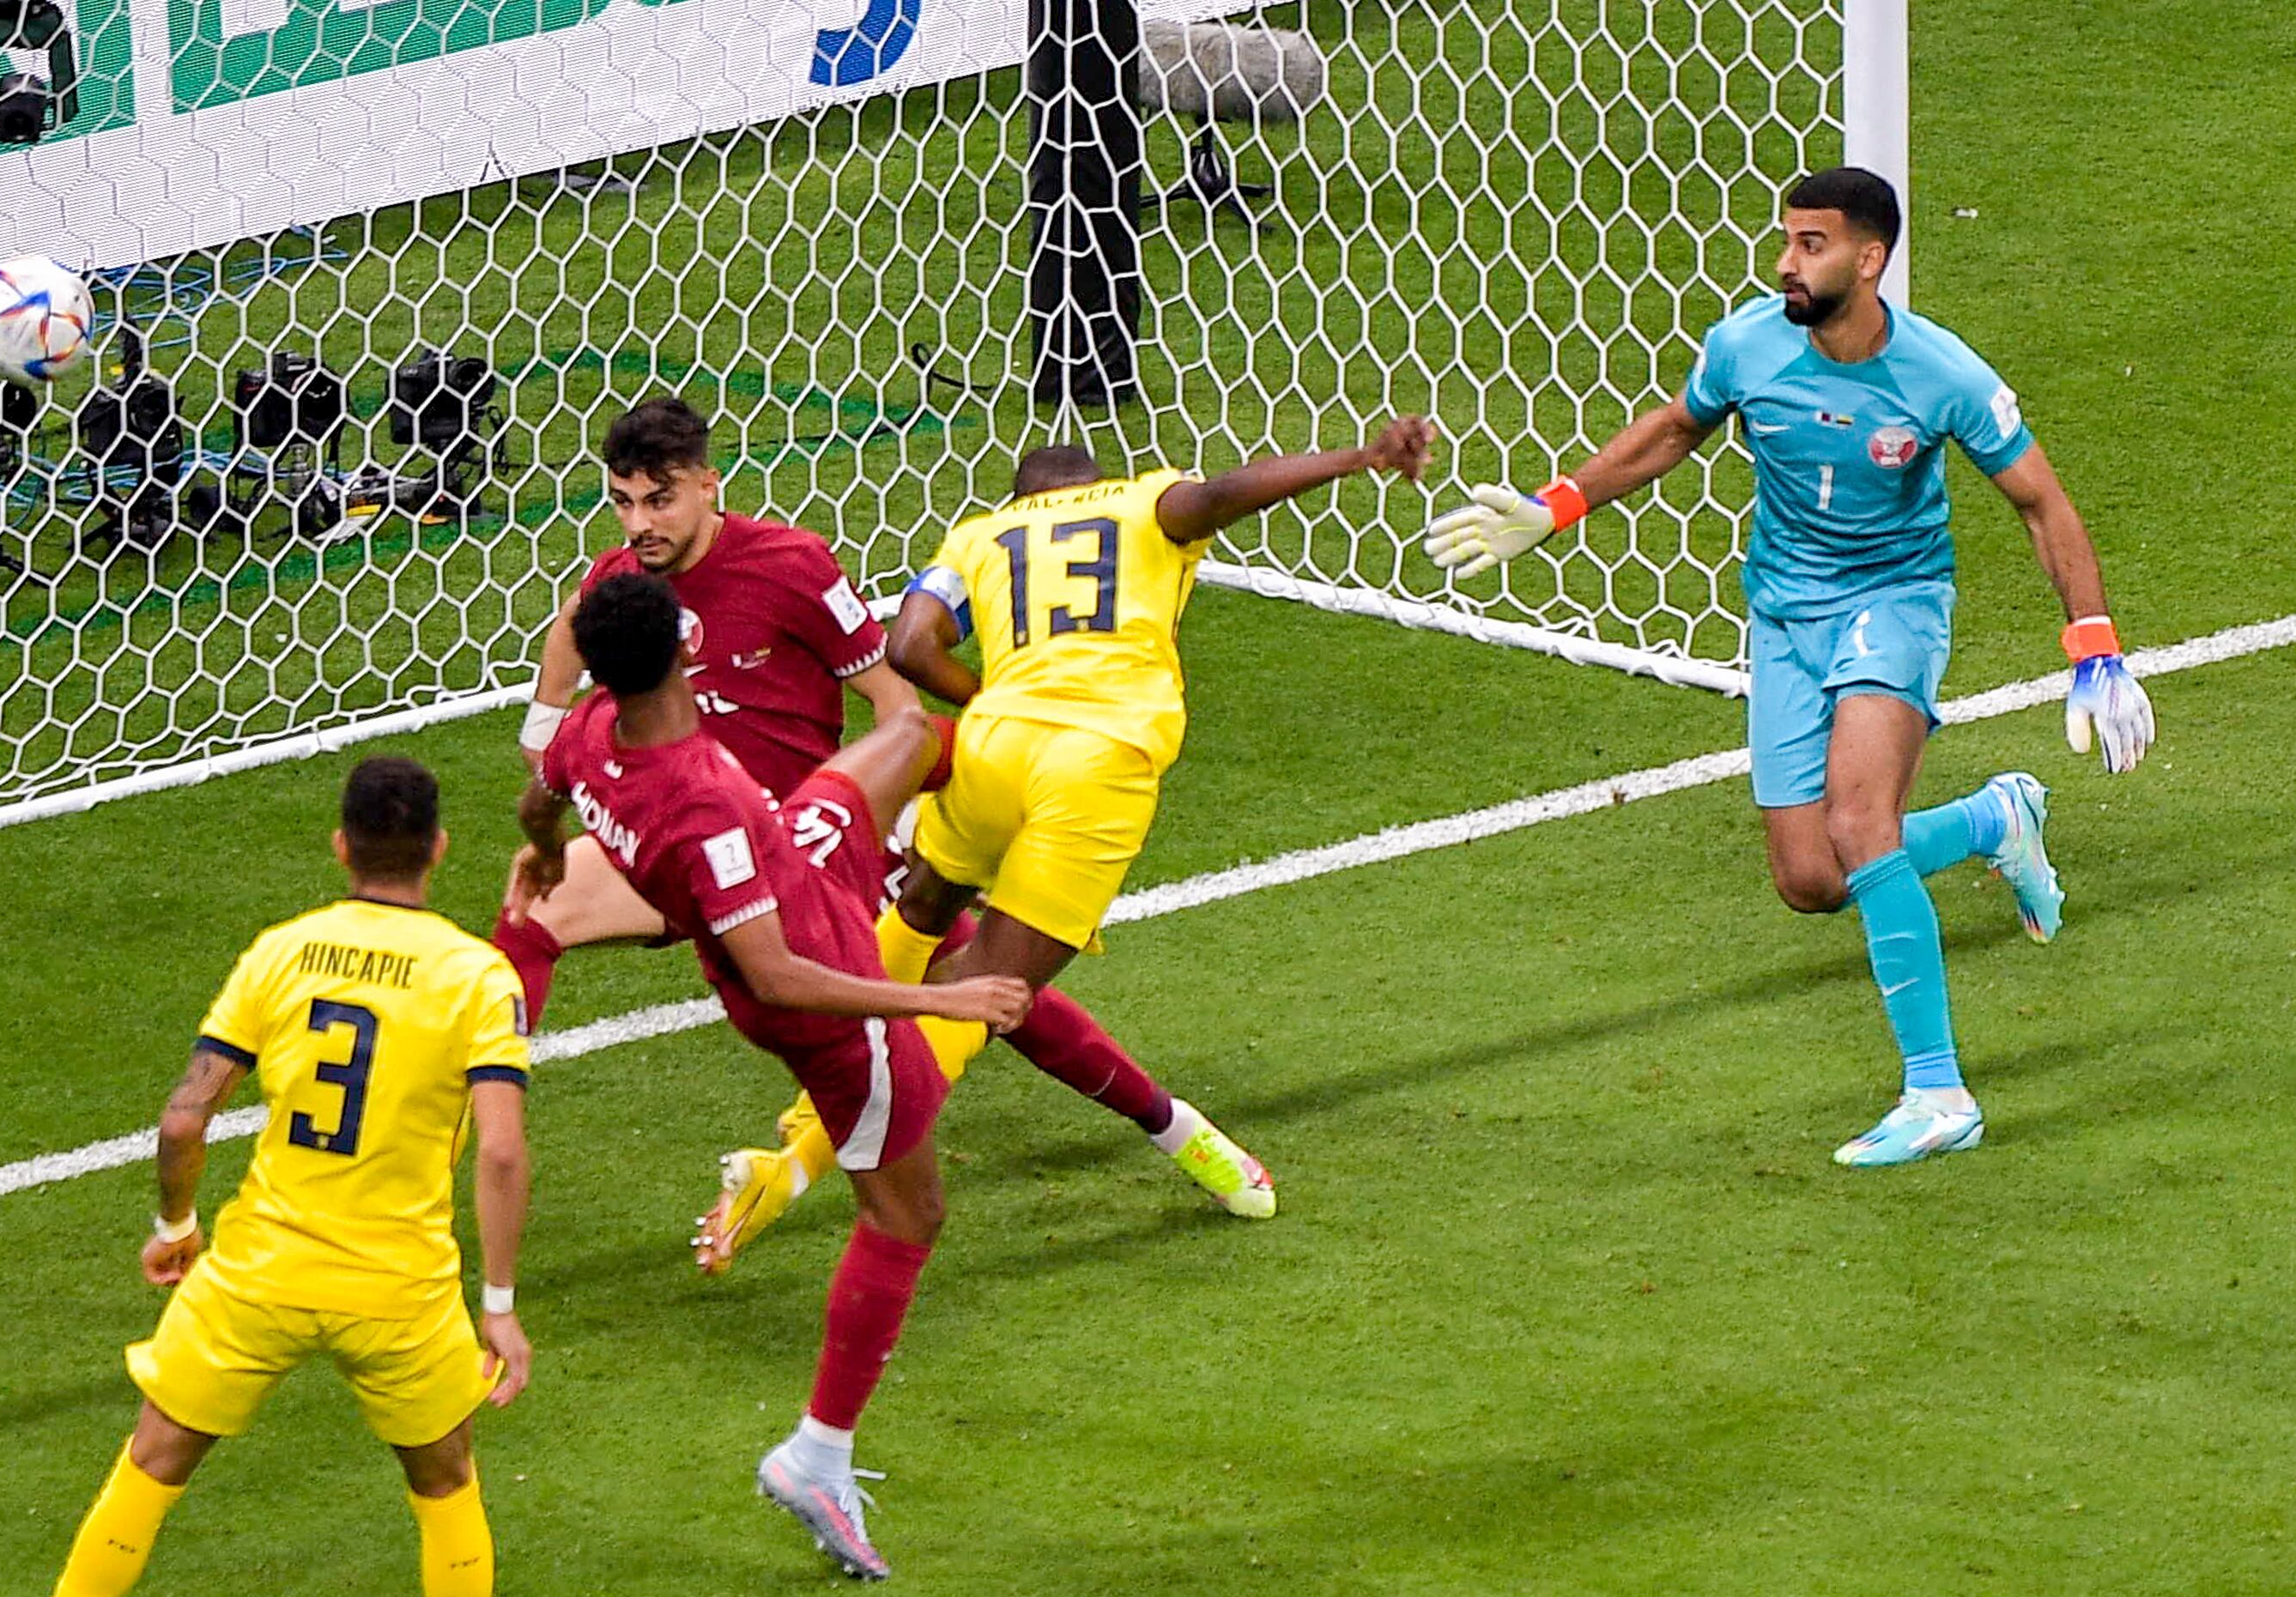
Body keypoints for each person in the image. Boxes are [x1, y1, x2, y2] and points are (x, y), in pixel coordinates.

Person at [1422, 166, 2155, 1165]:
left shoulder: (1940, 374)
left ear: (1869, 256)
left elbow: (2042, 502)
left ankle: (1938, 1092)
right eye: (1786, 239)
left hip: (1893, 607)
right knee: (1811, 878)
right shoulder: (1747, 344)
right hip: (1781, 616)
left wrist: (2094, 645)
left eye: (1810, 243)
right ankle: (1996, 818)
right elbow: (1674, 431)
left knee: (1859, 825)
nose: (1786, 261)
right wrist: (1556, 507)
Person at [499, 396, 1273, 1273]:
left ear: (708, 486)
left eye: (659, 501)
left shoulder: (789, 565)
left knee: (988, 991)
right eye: (623, 502)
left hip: (812, 847)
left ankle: (1175, 1129)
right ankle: (460, 1120)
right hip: (692, 848)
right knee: (529, 917)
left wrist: (895, 808)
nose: (640, 524)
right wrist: (543, 727)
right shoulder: (622, 586)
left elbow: (895, 701)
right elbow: (573, 625)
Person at [707, 420, 1438, 1225]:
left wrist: (989, 701)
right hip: (1096, 762)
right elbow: (1224, 495)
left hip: (992, 747)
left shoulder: (980, 534)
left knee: (920, 910)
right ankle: (797, 1167)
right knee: (991, 988)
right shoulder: (1142, 500)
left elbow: (911, 645)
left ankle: (820, 1106)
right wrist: (1358, 458)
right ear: (1095, 482)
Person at [0, 757, 536, 1597]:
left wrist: (175, 1224)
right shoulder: (474, 975)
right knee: (444, 1479)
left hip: (260, 1270)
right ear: (440, 849)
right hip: (398, 1290)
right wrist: (498, 1305)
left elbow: (186, 1115)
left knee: (151, 1460)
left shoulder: (281, 952)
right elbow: (498, 1149)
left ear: (340, 845)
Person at [513, 571, 1032, 1580]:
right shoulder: (698, 802)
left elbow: (541, 794)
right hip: (815, 991)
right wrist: (942, 1000)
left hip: (798, 853)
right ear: (681, 655)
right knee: (907, 1214)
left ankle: (1042, 740)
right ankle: (816, 1455)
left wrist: (540, 857)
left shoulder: (588, 732)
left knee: (913, 735)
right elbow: (776, 975)